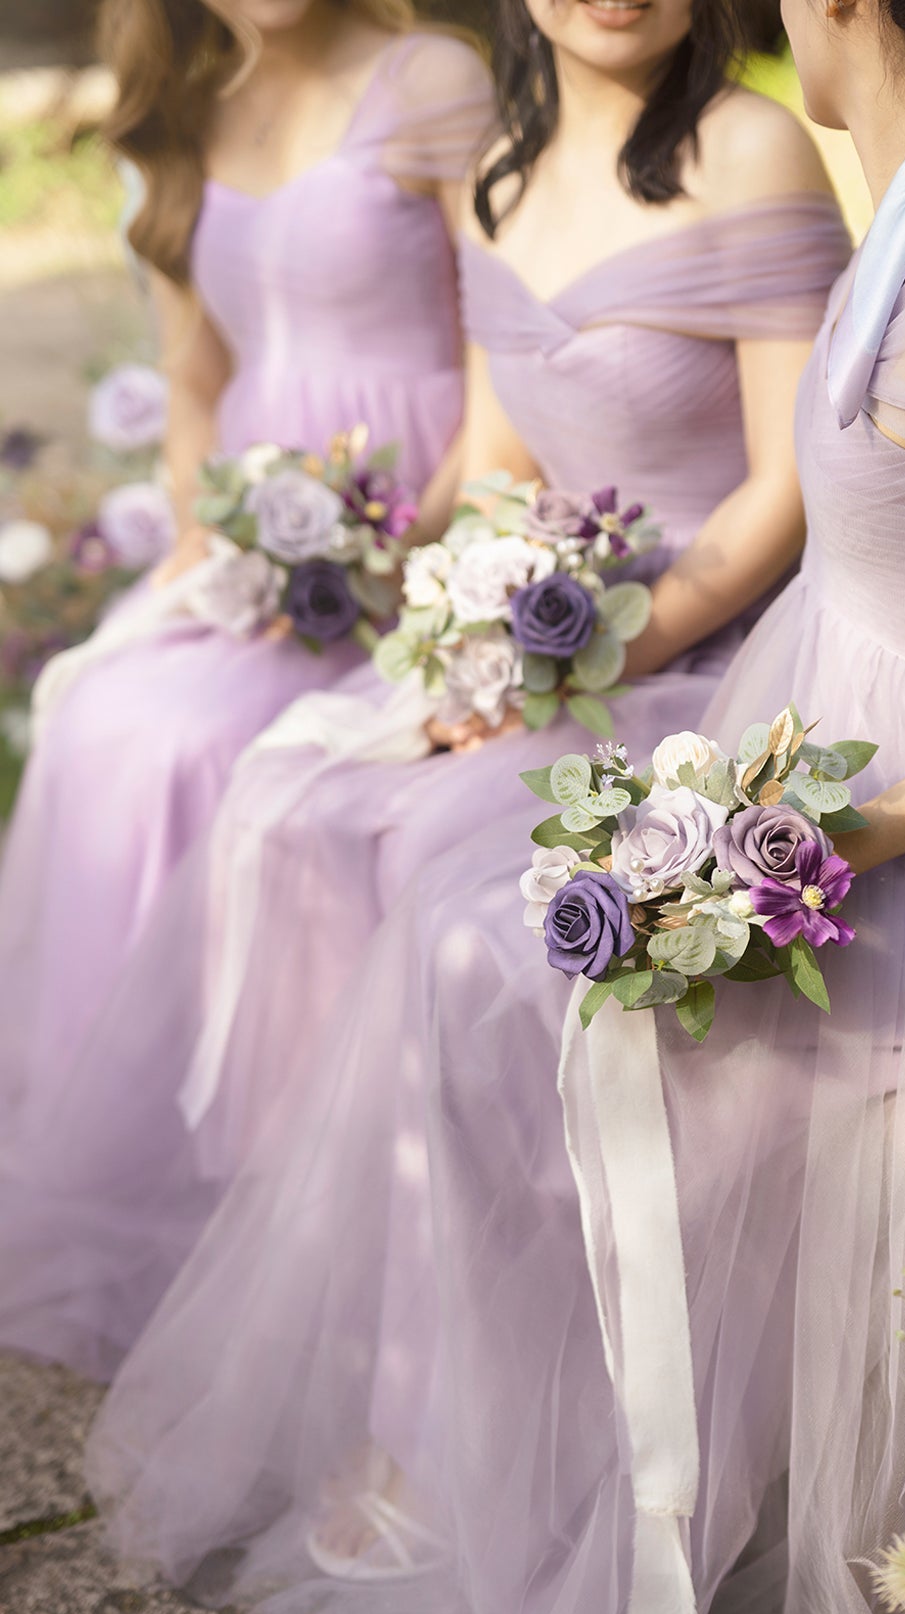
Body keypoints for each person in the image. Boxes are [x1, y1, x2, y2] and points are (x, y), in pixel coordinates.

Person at [93, 0, 905, 1614]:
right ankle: (508, 1454)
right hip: (837, 755)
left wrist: (813, 848)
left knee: (529, 999)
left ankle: (610, 1511)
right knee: (493, 973)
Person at [0, 0, 848, 1379]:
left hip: (716, 649)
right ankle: (333, 1311)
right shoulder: (512, 163)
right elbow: (508, 474)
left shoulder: (749, 147)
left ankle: (474, 1357)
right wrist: (474, 639)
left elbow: (784, 493)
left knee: (427, 873)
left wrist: (573, 648)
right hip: (557, 633)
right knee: (296, 805)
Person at [0, 0, 492, 1113]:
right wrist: (206, 546)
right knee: (101, 719)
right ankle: (127, 1114)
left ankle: (264, 1125)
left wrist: (408, 542)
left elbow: (502, 351)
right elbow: (196, 379)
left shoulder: (429, 81)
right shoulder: (190, 110)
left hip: (421, 535)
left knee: (190, 742)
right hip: (256, 554)